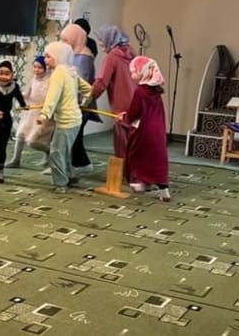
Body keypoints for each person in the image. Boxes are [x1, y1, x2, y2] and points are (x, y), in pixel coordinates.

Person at [38, 42, 92, 193]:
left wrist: (44, 114)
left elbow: (52, 96)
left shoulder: (58, 74)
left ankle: (61, 184)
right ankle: (70, 176)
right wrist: (84, 102)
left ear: (58, 56)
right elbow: (88, 89)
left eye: (48, 56)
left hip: (66, 121)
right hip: (76, 119)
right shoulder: (71, 71)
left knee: (56, 152)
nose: (45, 60)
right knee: (64, 151)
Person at [126, 56, 170, 202]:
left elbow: (134, 112)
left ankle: (139, 182)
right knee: (157, 159)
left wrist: (125, 118)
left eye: (135, 72)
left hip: (144, 131)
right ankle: (164, 190)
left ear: (144, 72)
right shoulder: (156, 92)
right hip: (158, 131)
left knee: (138, 155)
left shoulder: (140, 91)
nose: (132, 75)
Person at [91, 25, 137, 159]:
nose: (100, 44)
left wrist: (89, 97)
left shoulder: (112, 57)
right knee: (134, 141)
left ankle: (124, 167)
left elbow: (101, 82)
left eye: (101, 40)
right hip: (136, 100)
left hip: (121, 103)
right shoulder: (132, 52)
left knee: (122, 144)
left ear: (109, 39)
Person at [60, 23, 99, 174]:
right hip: (75, 104)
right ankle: (79, 164)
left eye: (66, 40)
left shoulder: (83, 58)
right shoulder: (75, 54)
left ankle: (76, 165)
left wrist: (76, 103)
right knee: (75, 137)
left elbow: (81, 83)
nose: (63, 43)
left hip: (80, 105)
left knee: (73, 136)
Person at [6, 55, 50, 169]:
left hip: (43, 114)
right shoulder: (33, 80)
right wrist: (15, 93)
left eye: (40, 67)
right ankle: (16, 160)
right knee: (20, 135)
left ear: (46, 68)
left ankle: (50, 152)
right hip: (31, 113)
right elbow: (26, 94)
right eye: (35, 67)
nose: (36, 70)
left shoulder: (50, 81)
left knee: (32, 141)